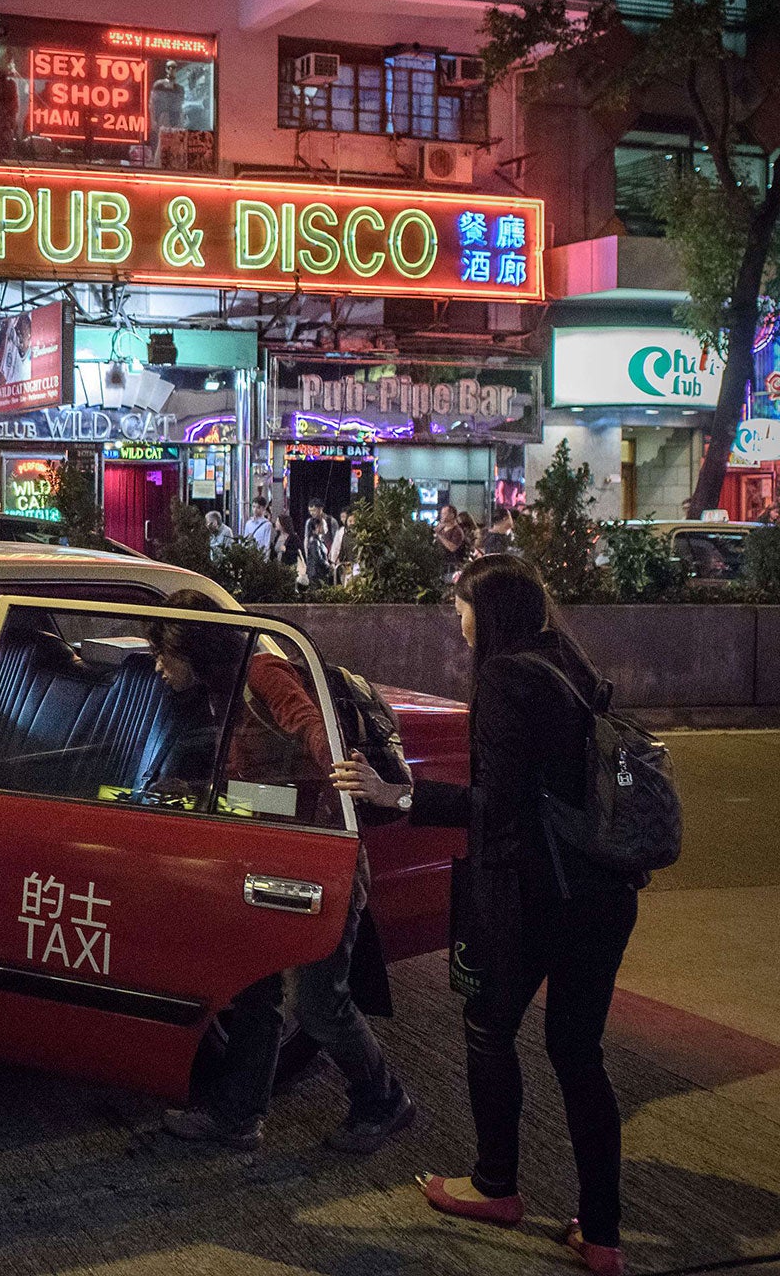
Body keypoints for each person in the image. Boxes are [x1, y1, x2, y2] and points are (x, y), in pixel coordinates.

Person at [335, 557, 638, 1274]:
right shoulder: (567, 661)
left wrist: (397, 794)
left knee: (488, 1028)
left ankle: (495, 1184)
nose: (457, 619)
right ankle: (602, 1236)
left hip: (537, 893)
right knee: (578, 1055)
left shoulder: (505, 679)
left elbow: (494, 807)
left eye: (461, 606)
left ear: (490, 611)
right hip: (602, 892)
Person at [152, 591, 414, 1154]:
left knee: (319, 1002)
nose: (157, 667)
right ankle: (238, 1114)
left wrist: (343, 773)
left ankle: (384, 1099)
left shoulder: (261, 673)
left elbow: (308, 723)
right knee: (254, 988)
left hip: (321, 853)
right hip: (270, 849)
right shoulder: (218, 692)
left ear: (188, 647)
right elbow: (258, 782)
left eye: (161, 654)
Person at [302, 500, 338, 587]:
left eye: (314, 510)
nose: (312, 513)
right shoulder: (309, 522)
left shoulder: (331, 521)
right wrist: (307, 555)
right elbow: (306, 538)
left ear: (321, 508)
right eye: (310, 511)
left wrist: (333, 557)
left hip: (329, 556)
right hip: (317, 563)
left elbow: (336, 540)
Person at [435, 503, 468, 569]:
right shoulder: (441, 528)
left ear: (452, 515)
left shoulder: (457, 531)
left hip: (450, 566)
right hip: (439, 563)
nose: (442, 516)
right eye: (442, 514)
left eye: (445, 514)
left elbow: (453, 548)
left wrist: (440, 535)